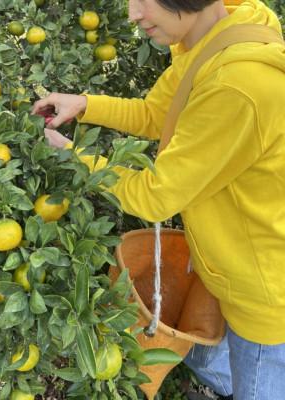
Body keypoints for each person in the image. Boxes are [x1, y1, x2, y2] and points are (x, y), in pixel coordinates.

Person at [32, 1, 285, 399]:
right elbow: (157, 113)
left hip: (264, 297)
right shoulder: (215, 31)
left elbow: (155, 197)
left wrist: (74, 158)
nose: (132, 14)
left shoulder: (236, 86)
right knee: (205, 356)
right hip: (224, 264)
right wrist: (85, 105)